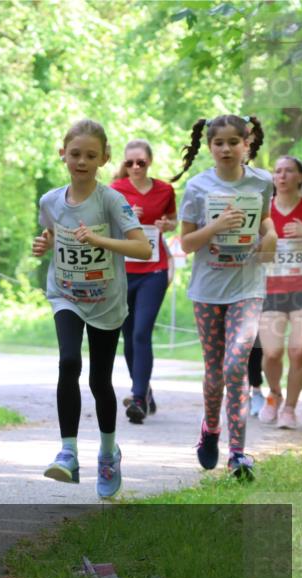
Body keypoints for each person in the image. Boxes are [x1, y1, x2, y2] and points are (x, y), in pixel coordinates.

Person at [32, 119, 151, 498]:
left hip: (105, 300)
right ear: (63, 154)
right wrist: (44, 244)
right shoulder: (50, 200)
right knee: (69, 362)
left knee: (100, 381)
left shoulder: (112, 200)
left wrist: (100, 239)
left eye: (90, 155)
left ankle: (108, 452)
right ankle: (68, 452)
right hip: (66, 295)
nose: (81, 161)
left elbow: (142, 248)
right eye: (75, 154)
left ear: (104, 159)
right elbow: (53, 234)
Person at [172, 114, 276, 479]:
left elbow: (265, 222)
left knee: (236, 365)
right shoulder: (198, 187)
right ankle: (210, 430)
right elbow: (185, 244)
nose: (227, 149)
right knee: (215, 373)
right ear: (210, 147)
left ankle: (238, 453)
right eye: (219, 143)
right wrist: (215, 227)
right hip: (207, 289)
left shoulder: (262, 182)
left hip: (248, 288)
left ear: (247, 144)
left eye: (234, 142)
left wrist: (271, 236)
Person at [111, 140, 177, 423]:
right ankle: (144, 390)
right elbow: (103, 227)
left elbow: (173, 220)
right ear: (124, 164)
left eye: (141, 162)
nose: (136, 167)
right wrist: (125, 219)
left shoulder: (165, 189)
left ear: (150, 162)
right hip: (123, 269)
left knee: (142, 332)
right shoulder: (115, 190)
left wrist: (167, 225)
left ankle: (137, 398)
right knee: (128, 336)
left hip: (154, 268)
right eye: (130, 163)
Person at [257, 156, 302, 428]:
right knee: (272, 353)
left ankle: (290, 408)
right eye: (277, 171)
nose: (282, 176)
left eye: (289, 171)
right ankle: (275, 395)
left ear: (300, 177)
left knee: (299, 350)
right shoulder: (263, 211)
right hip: (272, 289)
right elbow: (250, 248)